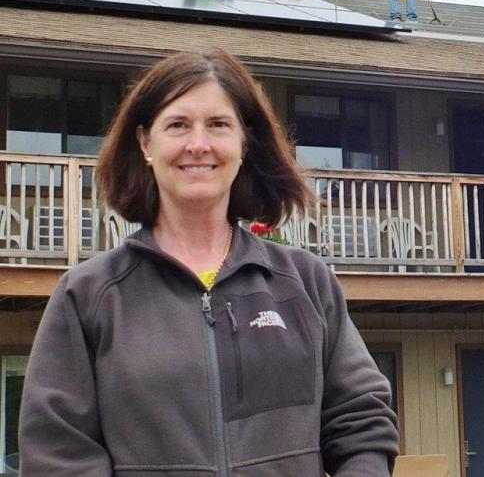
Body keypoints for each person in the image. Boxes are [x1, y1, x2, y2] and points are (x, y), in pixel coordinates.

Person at [18, 49, 399, 476]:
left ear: (243, 143)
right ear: (146, 143)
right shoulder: (88, 295)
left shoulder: (305, 282)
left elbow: (361, 422)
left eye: (218, 125)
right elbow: (58, 453)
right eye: (178, 125)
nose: (198, 145)